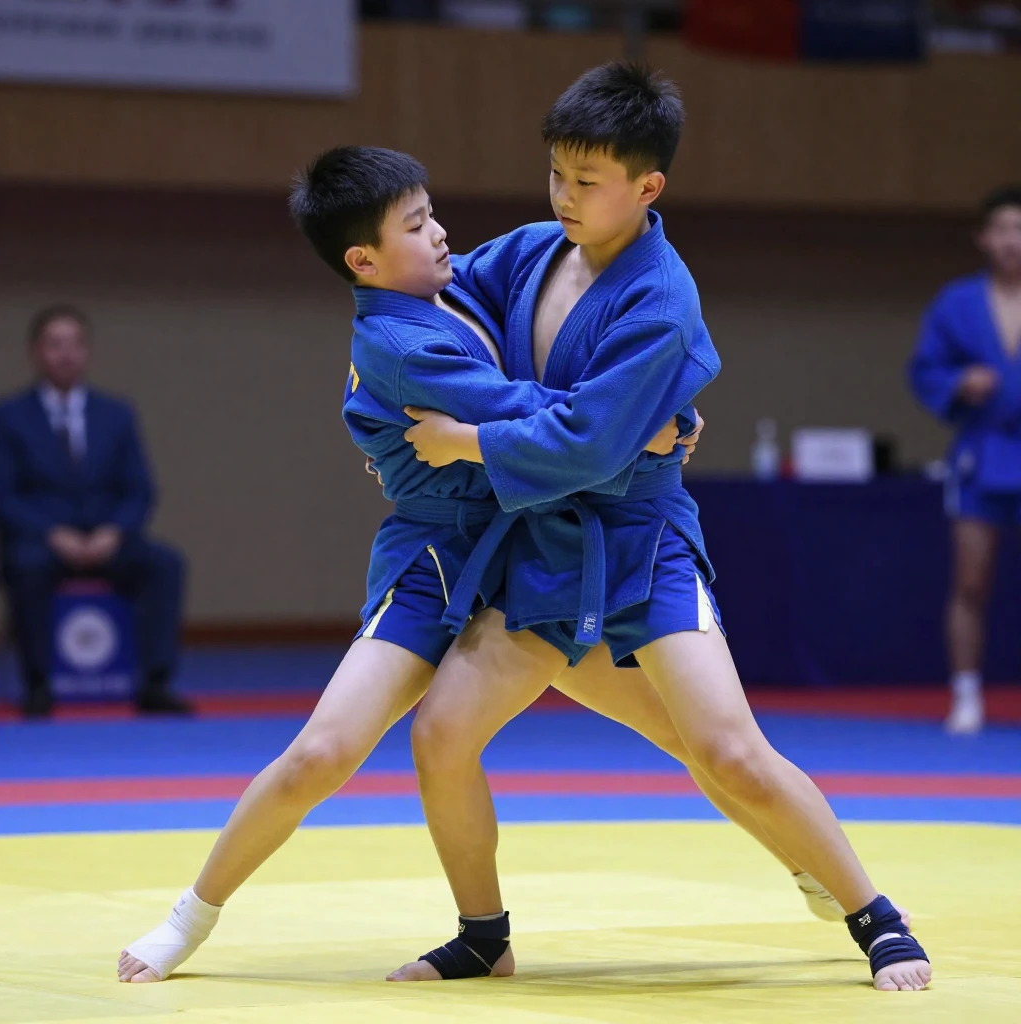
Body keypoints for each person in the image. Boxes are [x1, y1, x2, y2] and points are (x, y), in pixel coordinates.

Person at [118, 146, 848, 986]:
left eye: (430, 213)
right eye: (416, 225)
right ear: (364, 260)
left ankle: (805, 864)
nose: (440, 234)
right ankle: (191, 917)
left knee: (685, 733)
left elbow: (574, 357)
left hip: (532, 546)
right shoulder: (398, 342)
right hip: (436, 559)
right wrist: (642, 420)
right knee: (324, 750)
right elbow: (541, 414)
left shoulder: (456, 280)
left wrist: (656, 406)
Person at [388, 63, 930, 992]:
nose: (564, 195)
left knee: (724, 749)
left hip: (640, 543)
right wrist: (373, 351)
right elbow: (433, 305)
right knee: (441, 732)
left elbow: (591, 445)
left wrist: (465, 440)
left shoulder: (662, 301)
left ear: (648, 187)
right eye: (555, 173)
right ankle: (483, 935)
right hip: (541, 550)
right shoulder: (529, 252)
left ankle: (873, 915)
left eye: (586, 181)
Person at [0, 306, 189, 718]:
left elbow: (140, 489)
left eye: (74, 344)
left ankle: (155, 683)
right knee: (24, 566)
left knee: (165, 564)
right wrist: (51, 533)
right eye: (55, 345)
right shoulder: (9, 416)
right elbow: (4, 495)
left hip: (108, 538)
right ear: (36, 352)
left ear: (87, 352)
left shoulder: (116, 414)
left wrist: (114, 531)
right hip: (42, 541)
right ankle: (37, 685)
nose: (65, 354)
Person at [909, 187, 1021, 736]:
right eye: (1003, 229)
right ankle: (967, 694)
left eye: (1020, 229)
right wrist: (959, 383)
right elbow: (926, 369)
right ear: (983, 238)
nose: (1012, 240)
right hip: (982, 455)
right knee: (971, 582)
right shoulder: (957, 302)